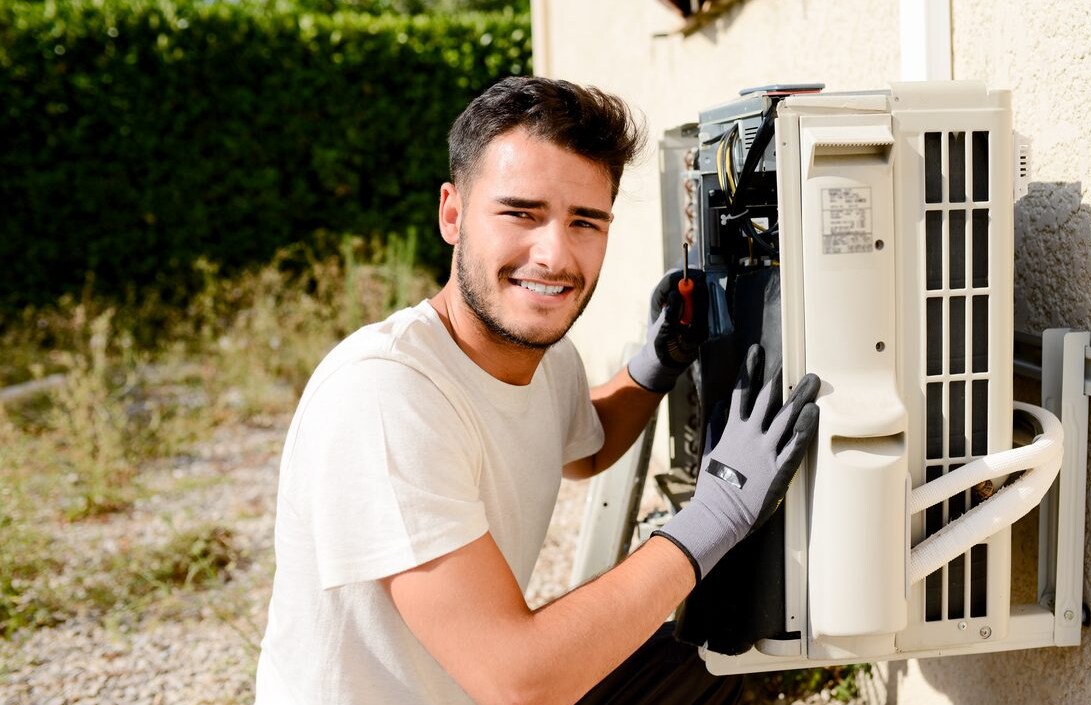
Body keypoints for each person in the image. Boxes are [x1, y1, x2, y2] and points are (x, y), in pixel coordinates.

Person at [254, 76, 820, 705]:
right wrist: (719, 514)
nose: (553, 255)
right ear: (452, 213)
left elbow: (588, 446)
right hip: (497, 683)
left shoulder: (544, 359)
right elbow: (520, 681)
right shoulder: (386, 395)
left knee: (698, 662)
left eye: (585, 222)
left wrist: (656, 366)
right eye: (521, 213)